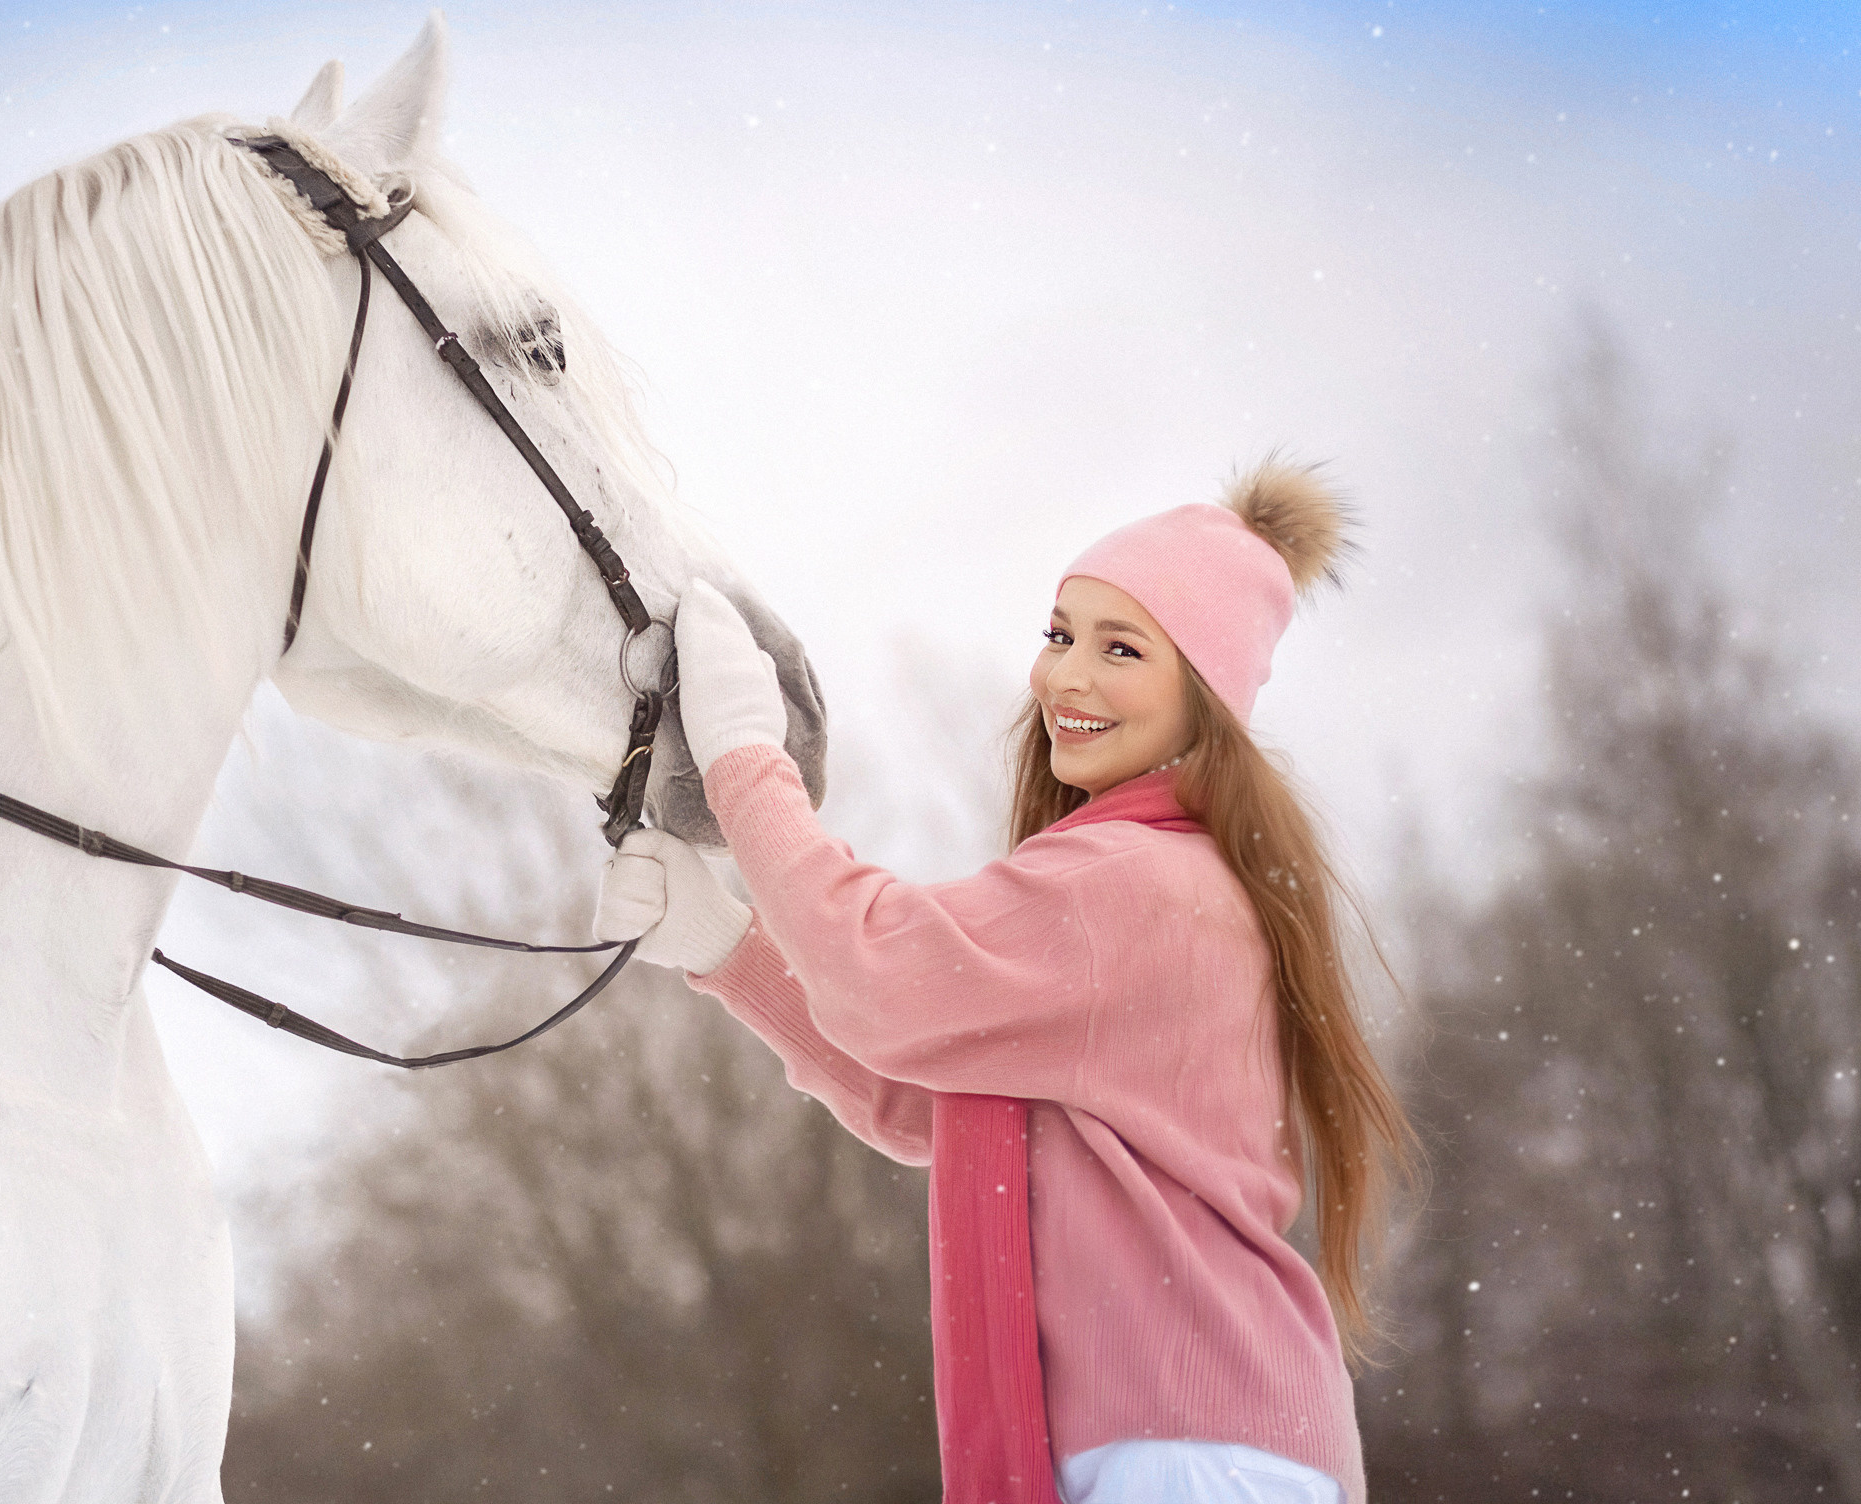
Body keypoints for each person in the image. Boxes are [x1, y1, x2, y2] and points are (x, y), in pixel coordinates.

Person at [597, 458, 1415, 1504]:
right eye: (1060, 634)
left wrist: (746, 759)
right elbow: (937, 1107)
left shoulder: (1137, 883)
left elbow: (879, 968)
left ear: (1205, 698)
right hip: (1195, 1434)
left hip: (1182, 1448)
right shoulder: (1167, 877)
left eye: (1122, 649)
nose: (1067, 677)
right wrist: (727, 949)